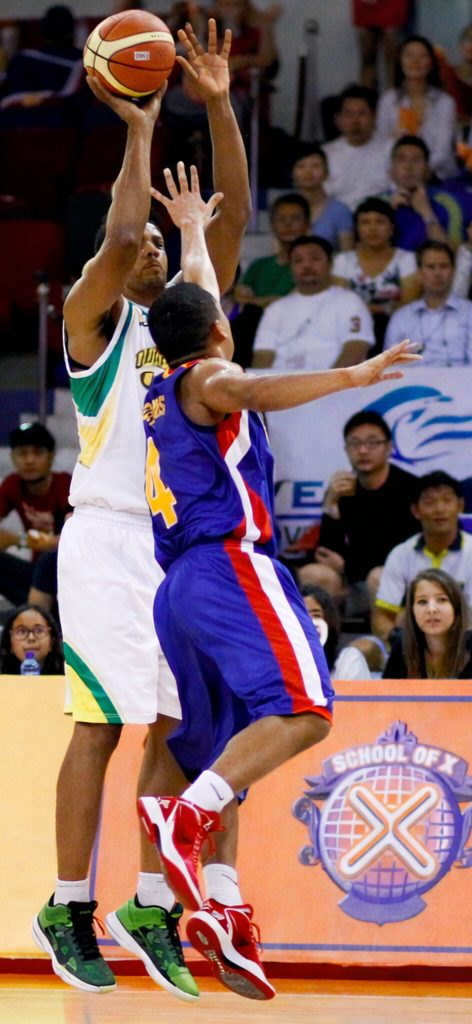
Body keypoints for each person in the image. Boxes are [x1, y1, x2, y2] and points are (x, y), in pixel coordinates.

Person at [137, 162, 419, 995]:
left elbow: (199, 299)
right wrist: (350, 377)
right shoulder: (212, 377)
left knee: (228, 748)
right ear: (217, 332)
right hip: (230, 564)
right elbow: (250, 383)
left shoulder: (166, 379)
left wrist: (194, 230)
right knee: (305, 709)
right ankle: (185, 818)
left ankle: (222, 904)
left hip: (180, 588)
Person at [31, 19, 251, 1000]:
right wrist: (138, 125)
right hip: (108, 540)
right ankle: (68, 903)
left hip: (177, 548)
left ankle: (152, 901)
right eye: (146, 245)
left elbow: (234, 212)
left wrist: (218, 104)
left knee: (177, 723)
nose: (157, 247)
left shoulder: (196, 321)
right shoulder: (95, 324)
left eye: (166, 241)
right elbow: (122, 235)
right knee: (102, 726)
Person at [300, 410, 418, 618]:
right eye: (355, 443)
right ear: (346, 449)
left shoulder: (410, 489)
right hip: (355, 582)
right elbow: (327, 553)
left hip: (397, 583)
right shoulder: (343, 489)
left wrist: (347, 567)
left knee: (378, 577)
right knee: (313, 574)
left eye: (372, 443)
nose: (363, 450)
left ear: (389, 447)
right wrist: (331, 503)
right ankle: (324, 636)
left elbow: (401, 555)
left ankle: (389, 636)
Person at [0, 422, 71, 615]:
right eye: (22, 454)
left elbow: (69, 543)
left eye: (37, 453)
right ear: (13, 458)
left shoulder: (66, 486)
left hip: (66, 581)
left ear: (51, 456)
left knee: (49, 559)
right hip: (34, 581)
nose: (30, 461)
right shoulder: (12, 485)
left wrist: (17, 539)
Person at [373, 471, 472, 641]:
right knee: (364, 646)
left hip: (463, 643)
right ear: (415, 510)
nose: (439, 509)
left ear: (460, 506)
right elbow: (382, 617)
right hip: (413, 643)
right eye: (429, 502)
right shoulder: (401, 554)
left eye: (447, 500)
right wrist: (400, 641)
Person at [251, 235, 374, 370]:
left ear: (330, 264)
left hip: (333, 381)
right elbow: (262, 358)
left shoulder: (350, 302)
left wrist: (325, 383)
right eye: (298, 260)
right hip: (280, 381)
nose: (306, 265)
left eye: (315, 259)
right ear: (290, 267)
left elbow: (354, 353)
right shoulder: (275, 309)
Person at [332, 197, 420, 351]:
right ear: (357, 229)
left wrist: (370, 309)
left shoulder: (406, 259)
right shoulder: (343, 261)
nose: (373, 229)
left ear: (392, 227)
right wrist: (385, 308)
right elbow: (338, 304)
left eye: (380, 222)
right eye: (365, 223)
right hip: (351, 330)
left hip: (399, 329)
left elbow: (409, 304)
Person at [232, 192, 309, 365]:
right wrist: (270, 301)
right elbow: (241, 297)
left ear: (307, 223)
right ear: (272, 225)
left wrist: (257, 301)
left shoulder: (312, 266)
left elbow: (296, 300)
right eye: (281, 219)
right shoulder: (259, 265)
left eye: (295, 218)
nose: (288, 224)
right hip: (256, 327)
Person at [376, 36, 458, 180]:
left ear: (431, 63)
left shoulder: (444, 102)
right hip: (396, 174)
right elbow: (381, 142)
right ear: (400, 61)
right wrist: (402, 170)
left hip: (437, 175)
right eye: (409, 55)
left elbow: (443, 151)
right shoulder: (388, 99)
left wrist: (419, 171)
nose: (415, 61)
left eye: (422, 56)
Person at [384, 240, 472, 366]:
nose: (438, 273)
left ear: (453, 272)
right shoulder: (401, 317)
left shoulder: (469, 312)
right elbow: (391, 366)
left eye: (444, 266)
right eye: (431, 267)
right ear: (419, 273)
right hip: (413, 378)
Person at [383, 568, 472, 678]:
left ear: (456, 607)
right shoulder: (402, 647)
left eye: (442, 600)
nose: (431, 609)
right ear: (412, 611)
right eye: (422, 601)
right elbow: (387, 689)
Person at [383, 136, 464, 252]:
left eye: (416, 160)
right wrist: (389, 214)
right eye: (401, 160)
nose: (408, 167)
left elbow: (454, 256)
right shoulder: (379, 203)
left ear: (428, 171)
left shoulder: (449, 204)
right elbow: (370, 255)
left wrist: (427, 213)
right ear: (391, 172)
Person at [323, 85, 393, 211]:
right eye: (348, 114)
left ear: (374, 116)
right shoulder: (326, 154)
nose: (355, 122)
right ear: (338, 119)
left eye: (362, 114)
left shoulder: (392, 149)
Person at [3, 5, 83, 110]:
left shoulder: (21, 58)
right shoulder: (83, 62)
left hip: (15, 116)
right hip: (60, 116)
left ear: (42, 31)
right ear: (73, 32)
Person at [301, 583, 386, 680]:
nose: (310, 623)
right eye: (301, 615)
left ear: (329, 624)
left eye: (316, 615)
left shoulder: (349, 661)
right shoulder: (286, 663)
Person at [291, 144, 354, 252]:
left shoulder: (340, 210)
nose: (308, 172)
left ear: (326, 172)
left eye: (315, 166)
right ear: (293, 173)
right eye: (301, 166)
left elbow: (347, 254)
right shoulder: (286, 208)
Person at [352, 0, 410, 90]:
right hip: (365, 5)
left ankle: (392, 97)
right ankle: (368, 96)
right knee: (367, 58)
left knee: (393, 59)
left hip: (392, 4)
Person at [0, 604, 64, 674]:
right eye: (22, 631)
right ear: (10, 641)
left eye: (39, 631)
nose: (31, 638)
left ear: (52, 641)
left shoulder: (67, 680)